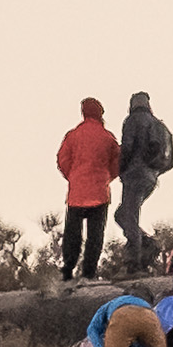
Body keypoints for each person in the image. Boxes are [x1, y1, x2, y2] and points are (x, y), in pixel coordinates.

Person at [54, 98, 119, 276]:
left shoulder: (73, 135)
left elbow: (62, 159)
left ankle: (68, 268)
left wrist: (73, 176)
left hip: (77, 193)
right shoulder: (108, 137)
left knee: (72, 233)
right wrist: (107, 177)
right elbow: (117, 162)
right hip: (100, 192)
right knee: (95, 236)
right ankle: (89, 272)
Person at [115, 91, 173, 266]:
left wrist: (120, 169)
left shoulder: (133, 120)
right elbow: (170, 161)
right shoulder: (159, 126)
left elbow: (126, 148)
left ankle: (135, 262)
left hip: (134, 175)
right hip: (151, 179)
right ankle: (147, 243)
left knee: (128, 215)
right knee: (122, 215)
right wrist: (154, 171)